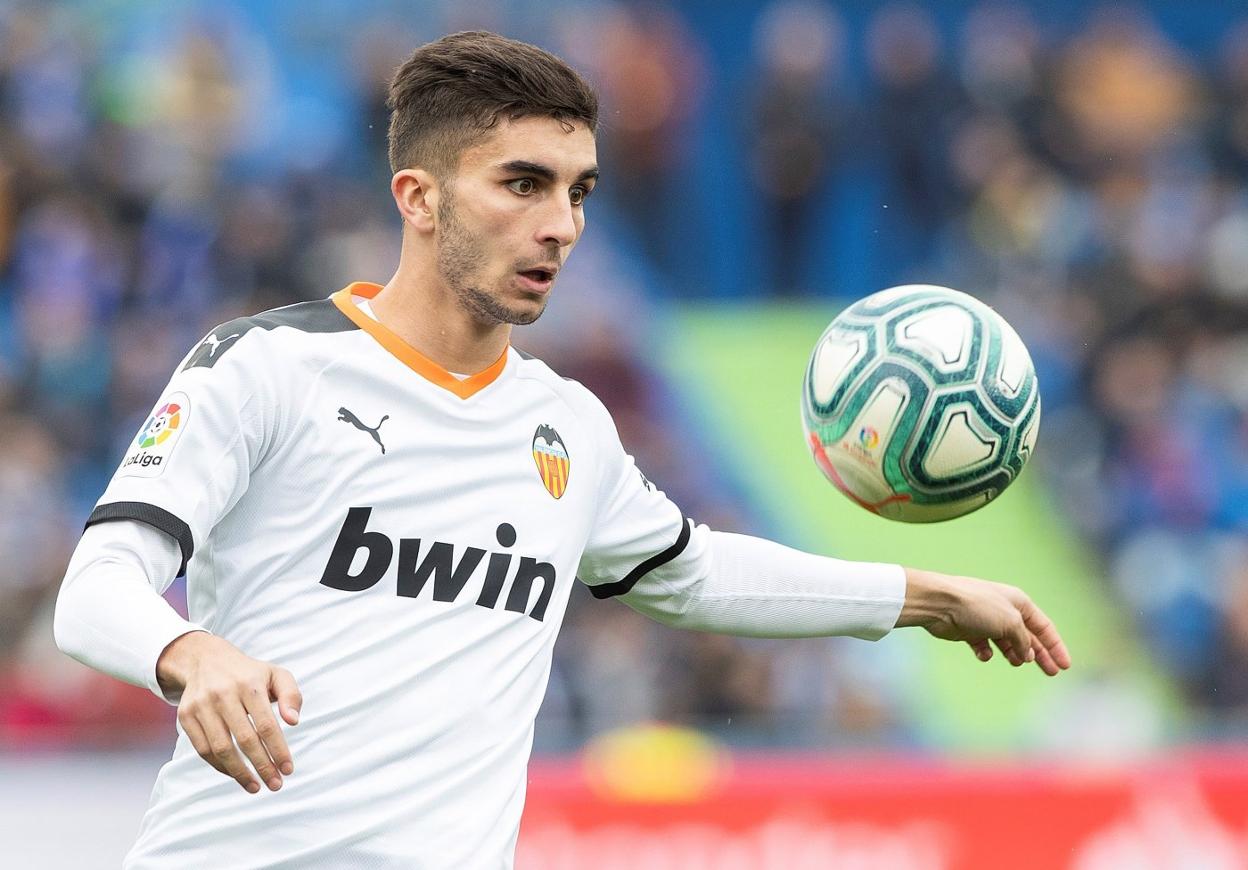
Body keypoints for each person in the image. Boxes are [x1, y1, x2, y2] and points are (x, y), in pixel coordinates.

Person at [53, 31, 1070, 869]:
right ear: (419, 197)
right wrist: (189, 650)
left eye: (579, 192)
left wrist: (924, 597)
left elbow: (699, 573)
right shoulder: (268, 365)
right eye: (524, 185)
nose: (561, 226)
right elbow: (95, 588)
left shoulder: (566, 427)